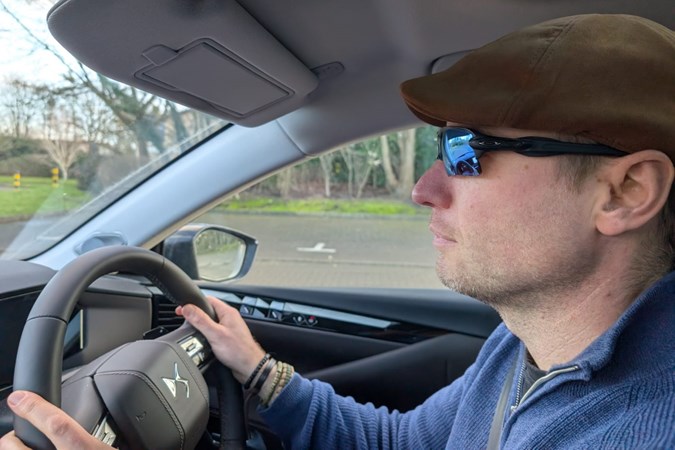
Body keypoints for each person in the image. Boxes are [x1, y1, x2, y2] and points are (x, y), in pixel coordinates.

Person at [2, 13, 674, 450]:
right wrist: (260, 372)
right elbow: (405, 445)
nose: (424, 189)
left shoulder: (645, 427)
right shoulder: (527, 342)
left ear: (624, 192)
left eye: (466, 153)